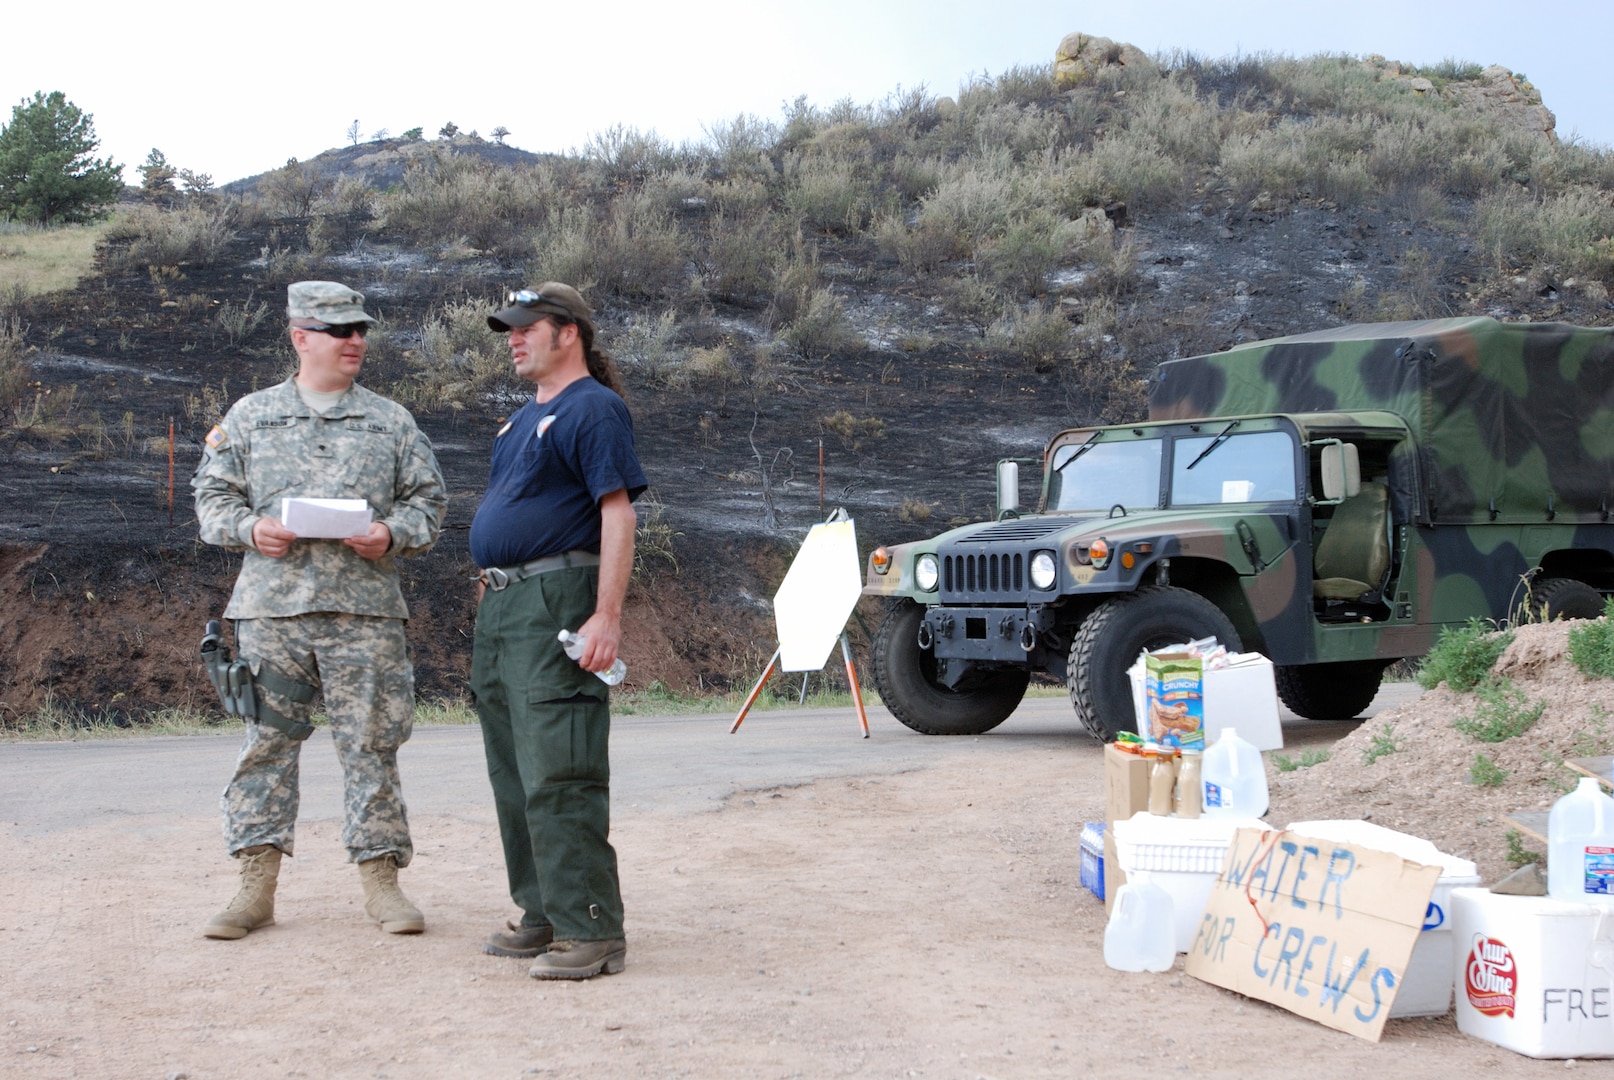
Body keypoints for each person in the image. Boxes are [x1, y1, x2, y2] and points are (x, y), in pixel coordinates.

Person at [192, 280, 447, 940]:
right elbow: (212, 501)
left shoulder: (391, 421)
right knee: (266, 746)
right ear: (301, 336)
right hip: (273, 613)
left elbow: (429, 504)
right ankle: (255, 887)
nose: (355, 340)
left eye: (360, 330)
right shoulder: (250, 416)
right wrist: (252, 530)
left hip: (364, 614)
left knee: (372, 748)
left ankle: (382, 883)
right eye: (340, 331)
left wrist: (391, 534)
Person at [470, 282, 647, 980]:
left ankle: (592, 928)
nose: (513, 339)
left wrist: (605, 615)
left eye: (525, 327)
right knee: (514, 769)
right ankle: (544, 911)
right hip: (506, 606)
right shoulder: (519, 422)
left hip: (556, 603)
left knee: (560, 766)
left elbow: (618, 515)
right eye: (508, 330)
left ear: (567, 332)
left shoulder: (594, 410)